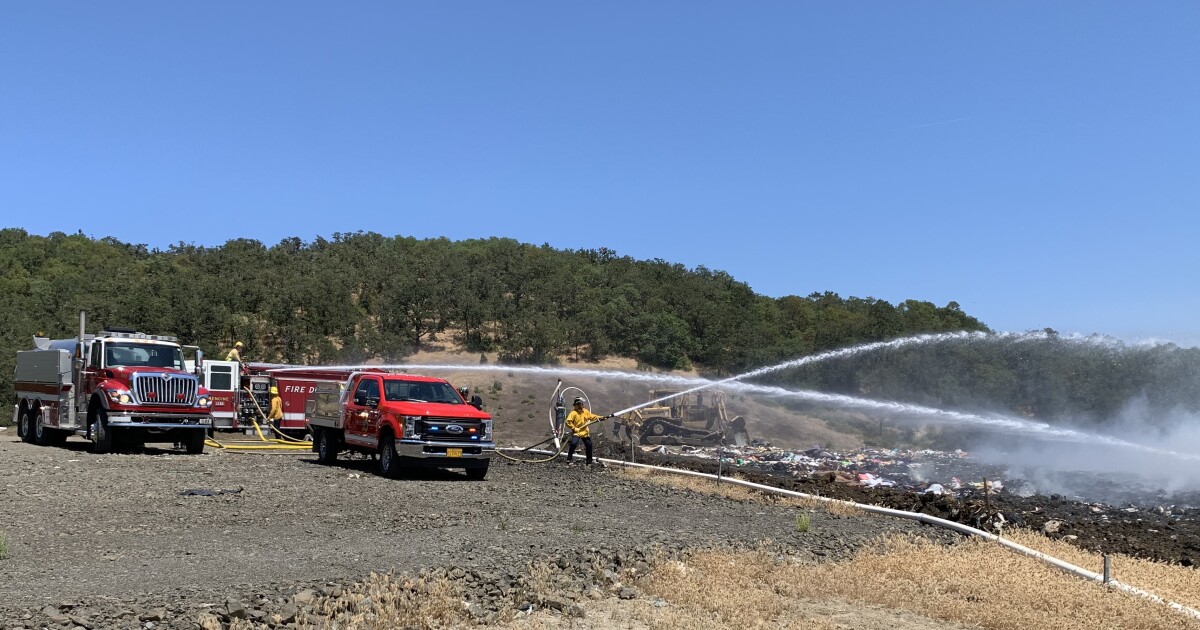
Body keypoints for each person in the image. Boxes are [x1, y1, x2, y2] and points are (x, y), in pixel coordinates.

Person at [565, 396, 605, 465]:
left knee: (589, 445)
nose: (582, 405)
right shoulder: (573, 413)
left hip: (585, 432)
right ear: (577, 404)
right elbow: (568, 422)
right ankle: (569, 458)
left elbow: (592, 416)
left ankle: (589, 462)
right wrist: (574, 428)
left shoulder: (585, 411)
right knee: (574, 444)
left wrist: (601, 417)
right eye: (581, 404)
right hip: (577, 432)